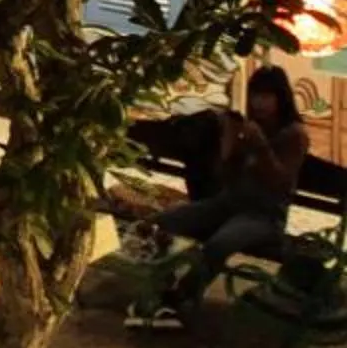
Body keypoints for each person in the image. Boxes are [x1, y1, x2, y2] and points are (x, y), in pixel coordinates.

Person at [128, 63, 310, 331]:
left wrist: (260, 146)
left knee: (218, 244)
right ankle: (160, 287)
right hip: (227, 203)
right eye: (255, 95)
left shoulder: (294, 134)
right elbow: (225, 177)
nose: (259, 103)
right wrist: (228, 143)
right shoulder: (250, 127)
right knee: (162, 222)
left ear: (280, 98)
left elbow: (279, 183)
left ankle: (182, 296)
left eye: (266, 97)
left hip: (263, 215)